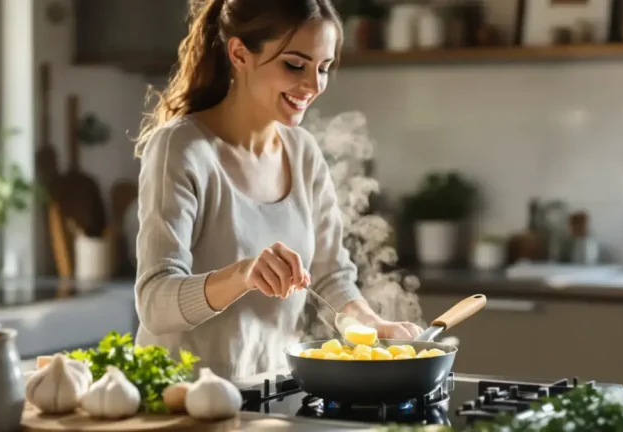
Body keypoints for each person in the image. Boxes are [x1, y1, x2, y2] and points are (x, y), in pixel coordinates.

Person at [132, 0, 423, 380]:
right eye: (295, 65)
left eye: (324, 68)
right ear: (239, 54)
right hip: (180, 396)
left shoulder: (302, 152)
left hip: (268, 389)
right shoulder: (182, 149)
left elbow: (330, 276)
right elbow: (155, 302)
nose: (314, 85)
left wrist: (370, 325)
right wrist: (243, 275)